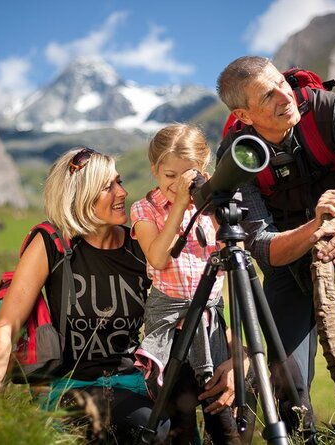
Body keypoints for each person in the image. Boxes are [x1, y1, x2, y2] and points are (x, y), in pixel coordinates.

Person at [0, 147, 170, 444]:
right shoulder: (53, 243)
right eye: (108, 187)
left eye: (119, 181)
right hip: (70, 386)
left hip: (134, 385)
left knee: (166, 428)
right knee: (145, 428)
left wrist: (235, 354)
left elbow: (188, 299)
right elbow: (7, 325)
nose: (122, 192)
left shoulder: (139, 246)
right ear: (80, 196)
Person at [216, 55, 335, 441]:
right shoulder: (236, 156)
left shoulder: (327, 109)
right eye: (268, 95)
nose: (285, 96)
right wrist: (317, 226)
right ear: (243, 115)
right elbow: (264, 248)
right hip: (289, 251)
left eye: (282, 83)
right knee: (285, 383)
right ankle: (300, 436)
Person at [130, 123, 253, 445]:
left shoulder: (210, 208)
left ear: (203, 168)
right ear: (154, 170)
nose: (176, 184)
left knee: (222, 416)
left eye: (186, 175)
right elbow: (158, 258)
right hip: (170, 328)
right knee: (179, 424)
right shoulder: (144, 209)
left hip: (210, 325)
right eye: (169, 175)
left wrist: (211, 203)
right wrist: (180, 206)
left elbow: (234, 257)